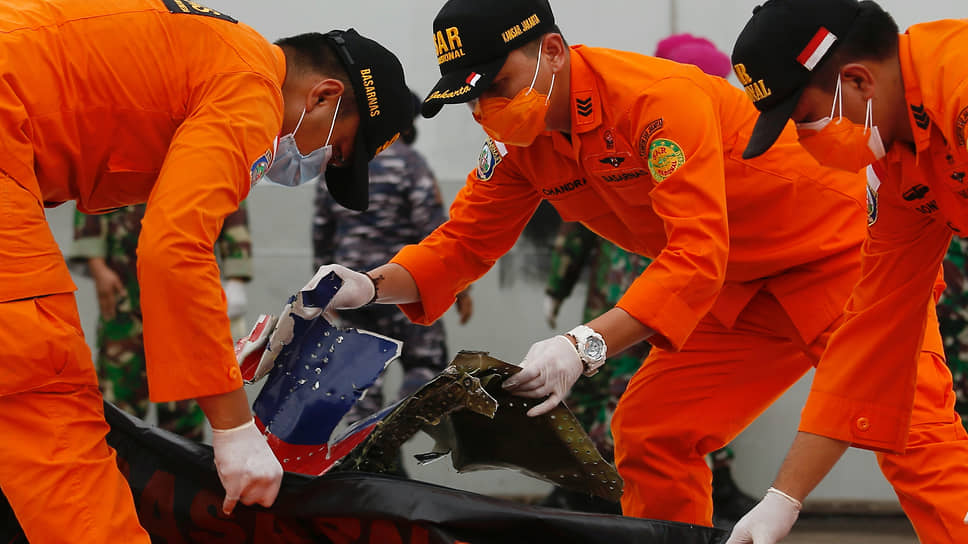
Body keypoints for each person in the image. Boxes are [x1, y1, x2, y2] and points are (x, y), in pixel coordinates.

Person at [307, 0, 961, 539]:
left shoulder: (655, 101)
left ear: (552, 52)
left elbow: (695, 251)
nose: (486, 112)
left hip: (836, 259)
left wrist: (583, 345)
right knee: (653, 430)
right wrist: (368, 285)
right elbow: (460, 246)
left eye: (496, 87)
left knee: (911, 434)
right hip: (738, 288)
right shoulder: (518, 146)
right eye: (470, 99)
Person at [0, 1, 413, 541]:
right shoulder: (251, 89)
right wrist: (234, 426)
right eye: (334, 151)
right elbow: (173, 248)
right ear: (323, 96)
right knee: (43, 387)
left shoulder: (214, 53)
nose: (314, 168)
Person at [728, 1, 968, 541]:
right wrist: (784, 498)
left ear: (857, 81)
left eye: (803, 118)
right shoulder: (901, 163)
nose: (803, 138)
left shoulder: (959, 90)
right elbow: (873, 333)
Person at [541, 34, 756, 523]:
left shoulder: (692, 129)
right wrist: (558, 289)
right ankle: (594, 488)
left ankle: (620, 490)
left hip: (678, 290)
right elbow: (578, 223)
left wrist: (559, 291)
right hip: (641, 294)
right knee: (620, 393)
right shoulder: (636, 123)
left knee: (667, 398)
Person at [312, 91, 473, 428]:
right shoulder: (412, 165)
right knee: (426, 367)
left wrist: (324, 291)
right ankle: (393, 430)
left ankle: (362, 443)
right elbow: (435, 232)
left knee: (357, 378)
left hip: (351, 289)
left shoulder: (339, 165)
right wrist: (461, 290)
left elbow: (322, 234)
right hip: (403, 287)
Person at [70, 203, 254, 441]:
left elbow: (228, 198)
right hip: (125, 288)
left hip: (186, 295)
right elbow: (91, 192)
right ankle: (116, 463)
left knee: (184, 404)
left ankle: (181, 464)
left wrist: (236, 276)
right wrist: (97, 265)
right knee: (118, 401)